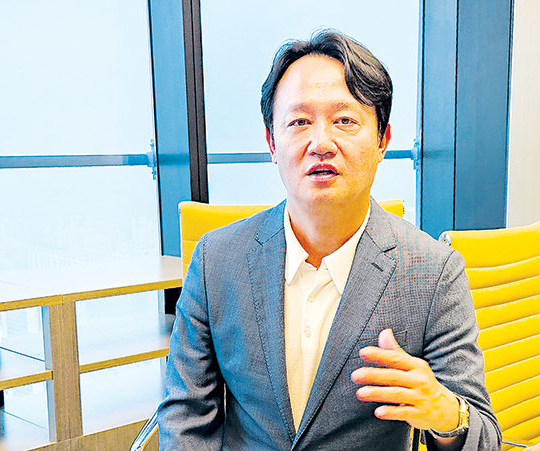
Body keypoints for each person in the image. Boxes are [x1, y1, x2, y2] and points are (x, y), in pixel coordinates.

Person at [157, 30, 500, 450]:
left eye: (345, 121)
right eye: (299, 122)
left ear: (382, 141)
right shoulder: (216, 261)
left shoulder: (433, 272)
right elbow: (185, 417)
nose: (320, 143)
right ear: (272, 143)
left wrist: (446, 415)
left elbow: (484, 437)